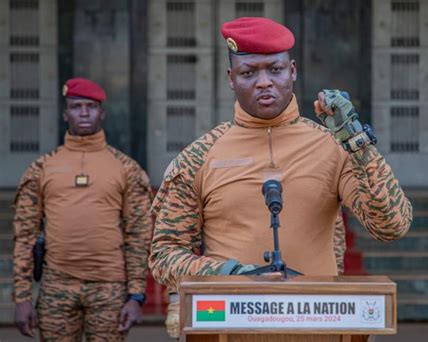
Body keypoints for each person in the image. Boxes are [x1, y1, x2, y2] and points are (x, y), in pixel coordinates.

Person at [149, 17, 413, 338]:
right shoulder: (199, 155)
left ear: (292, 71)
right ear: (231, 78)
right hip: (230, 331)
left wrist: (357, 143)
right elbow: (165, 255)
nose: (263, 82)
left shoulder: (333, 145)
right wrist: (228, 273)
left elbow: (392, 225)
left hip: (320, 330)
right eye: (248, 73)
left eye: (274, 69)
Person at [13, 78, 153, 340]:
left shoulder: (126, 169)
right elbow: (25, 235)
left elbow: (139, 235)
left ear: (102, 113)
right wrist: (21, 298)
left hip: (109, 288)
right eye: (77, 107)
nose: (84, 113)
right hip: (57, 285)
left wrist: (135, 295)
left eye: (91, 106)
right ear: (66, 114)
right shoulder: (42, 168)